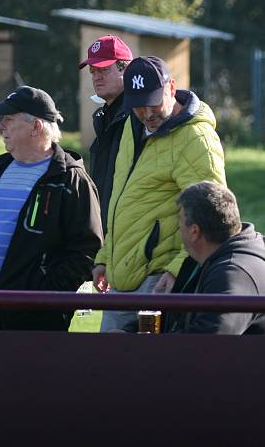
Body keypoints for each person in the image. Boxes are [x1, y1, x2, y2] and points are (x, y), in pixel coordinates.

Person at [0, 86, 103, 441]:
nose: (1, 127)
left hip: (36, 317)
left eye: (8, 120)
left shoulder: (72, 179)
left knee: (27, 410)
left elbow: (86, 250)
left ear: (36, 126)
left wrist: (41, 293)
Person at [92, 56, 227, 332]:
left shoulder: (196, 138)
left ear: (172, 87)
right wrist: (106, 256)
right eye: (138, 105)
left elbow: (213, 216)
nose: (147, 113)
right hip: (121, 279)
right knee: (106, 368)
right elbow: (124, 198)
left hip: (160, 281)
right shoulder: (133, 124)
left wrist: (177, 269)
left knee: (145, 371)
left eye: (153, 101)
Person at [164, 182, 265, 335]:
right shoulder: (206, 262)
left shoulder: (233, 271)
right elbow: (172, 319)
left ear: (194, 232)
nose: (178, 229)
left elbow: (208, 340)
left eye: (180, 223)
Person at [79, 34, 133, 232]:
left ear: (125, 69)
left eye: (104, 69)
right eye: (93, 70)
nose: (96, 76)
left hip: (128, 228)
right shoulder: (104, 116)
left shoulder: (138, 116)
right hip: (105, 229)